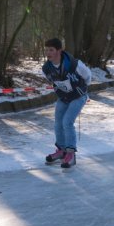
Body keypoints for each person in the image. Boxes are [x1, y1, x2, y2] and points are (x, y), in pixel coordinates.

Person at [42, 38, 92, 168]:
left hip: (78, 97)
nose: (48, 52)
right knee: (58, 123)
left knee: (67, 122)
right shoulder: (46, 68)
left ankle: (70, 154)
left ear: (59, 50)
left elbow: (87, 76)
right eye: (46, 50)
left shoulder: (75, 64)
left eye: (51, 50)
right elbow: (53, 81)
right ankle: (61, 150)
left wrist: (81, 90)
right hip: (63, 97)